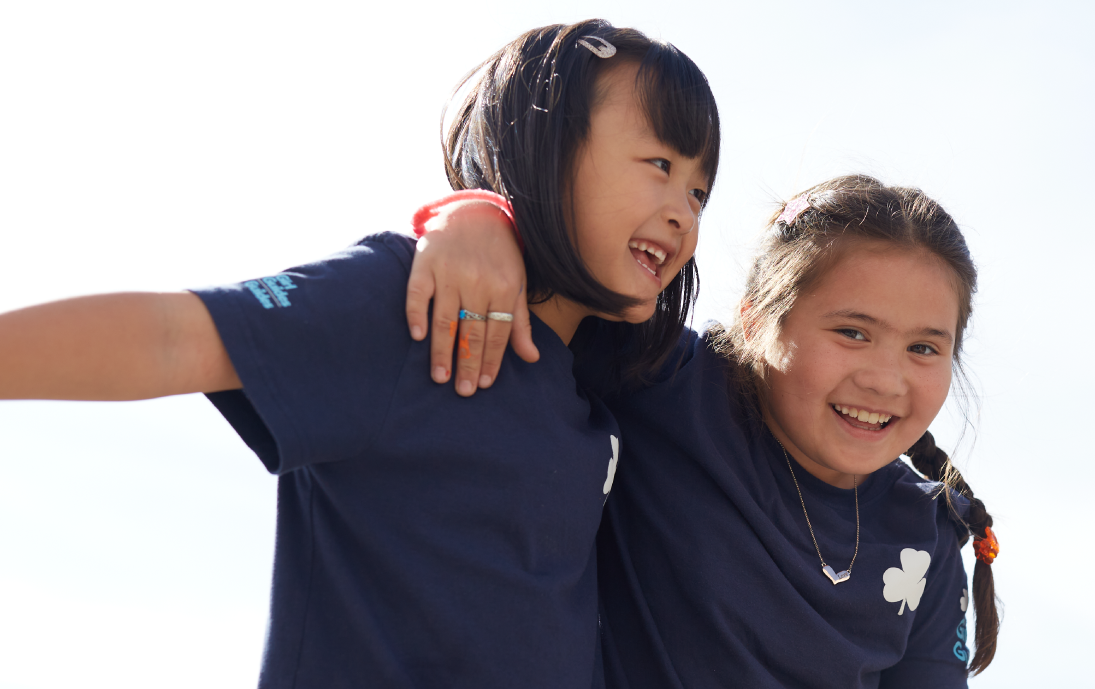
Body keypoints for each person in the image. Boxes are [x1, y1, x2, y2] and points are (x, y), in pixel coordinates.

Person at [0, 19, 718, 688]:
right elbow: (173, 338)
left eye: (699, 190)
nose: (684, 211)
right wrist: (475, 207)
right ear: (551, 146)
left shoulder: (617, 385)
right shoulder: (406, 306)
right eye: (658, 162)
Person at [410, 174, 1001, 687]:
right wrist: (478, 219)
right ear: (755, 321)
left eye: (924, 347)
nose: (885, 380)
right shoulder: (668, 382)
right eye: (852, 332)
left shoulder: (925, 537)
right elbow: (550, 282)